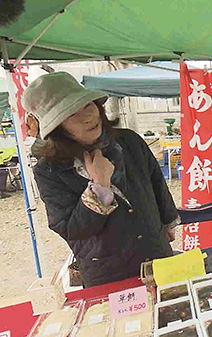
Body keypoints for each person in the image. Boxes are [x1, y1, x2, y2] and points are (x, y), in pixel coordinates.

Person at [24, 72, 180, 287]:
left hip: (155, 252)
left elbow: (156, 184)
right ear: (57, 126)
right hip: (107, 270)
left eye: (88, 105)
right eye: (71, 114)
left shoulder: (129, 141)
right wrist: (99, 187)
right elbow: (71, 229)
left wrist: (168, 222)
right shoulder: (48, 169)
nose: (87, 117)